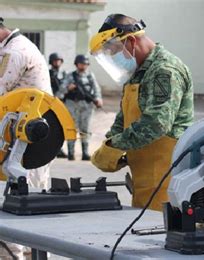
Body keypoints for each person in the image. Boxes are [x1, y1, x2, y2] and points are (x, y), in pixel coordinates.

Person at [90, 14, 194, 211]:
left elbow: (157, 123)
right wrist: (108, 149)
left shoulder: (164, 70)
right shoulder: (137, 73)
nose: (115, 59)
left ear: (130, 41)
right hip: (143, 174)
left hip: (167, 175)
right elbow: (123, 120)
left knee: (161, 234)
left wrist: (115, 144)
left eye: (114, 52)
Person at [0, 16, 52, 260]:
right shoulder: (17, 46)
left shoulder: (14, 52)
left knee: (17, 209)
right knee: (33, 207)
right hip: (29, 139)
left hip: (25, 142)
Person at [58, 54, 102, 161]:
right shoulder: (70, 76)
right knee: (72, 129)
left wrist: (98, 99)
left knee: (85, 129)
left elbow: (96, 89)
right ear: (76, 64)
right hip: (73, 105)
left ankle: (85, 153)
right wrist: (68, 88)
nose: (83, 66)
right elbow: (61, 90)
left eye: (85, 64)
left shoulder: (90, 76)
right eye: (81, 64)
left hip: (87, 106)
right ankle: (71, 153)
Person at [48, 52, 68, 158]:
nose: (57, 62)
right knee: (51, 126)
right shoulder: (47, 73)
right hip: (50, 103)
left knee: (62, 127)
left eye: (59, 60)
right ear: (51, 62)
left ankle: (60, 149)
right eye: (55, 60)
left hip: (63, 103)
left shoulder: (65, 74)